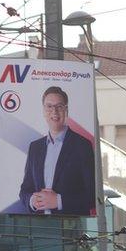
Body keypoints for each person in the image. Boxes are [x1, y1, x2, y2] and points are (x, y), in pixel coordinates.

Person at [19, 86, 95, 215]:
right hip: (38, 225)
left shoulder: (82, 145)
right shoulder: (35, 147)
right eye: (49, 106)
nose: (54, 111)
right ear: (43, 110)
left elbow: (93, 195)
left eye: (59, 106)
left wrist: (59, 201)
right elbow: (25, 190)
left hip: (71, 226)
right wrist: (32, 201)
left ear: (66, 110)